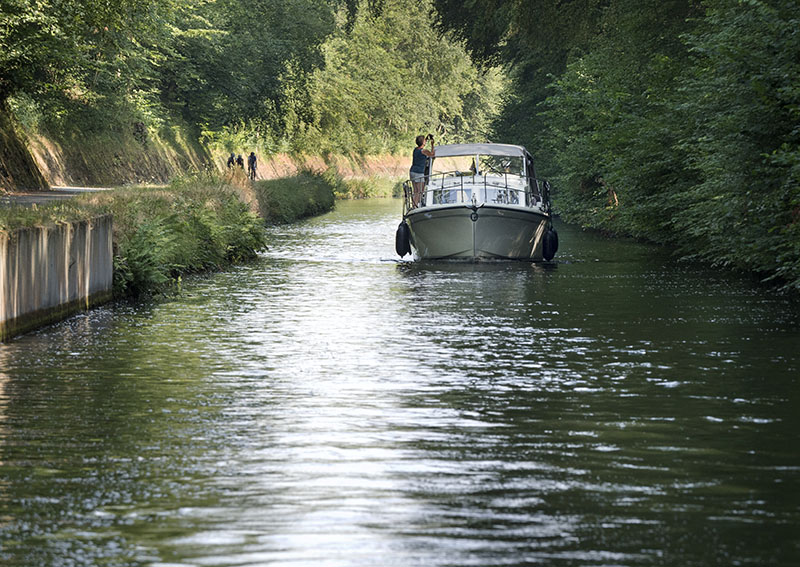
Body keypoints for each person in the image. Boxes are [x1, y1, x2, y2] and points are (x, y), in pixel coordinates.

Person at [410, 134, 435, 206]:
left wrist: (426, 138)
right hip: (419, 172)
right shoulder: (424, 151)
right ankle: (415, 206)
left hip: (412, 171)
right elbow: (432, 154)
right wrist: (432, 145)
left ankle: (413, 205)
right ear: (423, 142)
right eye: (424, 140)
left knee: (415, 191)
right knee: (420, 191)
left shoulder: (415, 149)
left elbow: (421, 143)